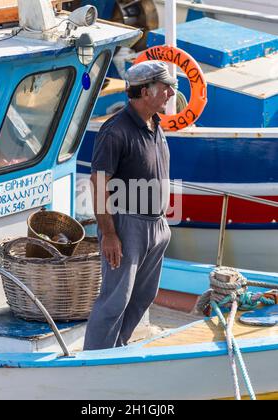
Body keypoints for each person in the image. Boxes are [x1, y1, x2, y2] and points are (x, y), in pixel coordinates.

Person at [83, 61, 176, 350]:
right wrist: (109, 233)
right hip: (127, 226)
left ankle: (116, 351)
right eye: (165, 87)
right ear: (146, 91)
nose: (171, 93)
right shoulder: (115, 131)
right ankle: (94, 361)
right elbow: (98, 182)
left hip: (157, 225)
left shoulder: (155, 125)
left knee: (143, 297)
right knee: (115, 300)